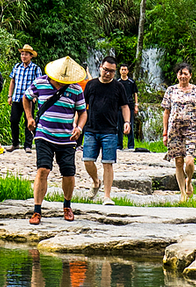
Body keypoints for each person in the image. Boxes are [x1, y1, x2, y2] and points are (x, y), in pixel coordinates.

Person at [22, 55, 88, 223]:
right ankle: (37, 210)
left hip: (67, 137)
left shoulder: (76, 89)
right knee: (43, 169)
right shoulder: (40, 83)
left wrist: (79, 128)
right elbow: (26, 97)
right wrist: (29, 118)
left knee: (68, 173)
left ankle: (67, 206)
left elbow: (83, 112)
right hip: (43, 134)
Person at [82, 56, 131, 204]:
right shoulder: (90, 85)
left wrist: (127, 122)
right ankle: (96, 182)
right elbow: (82, 106)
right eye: (106, 70)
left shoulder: (118, 87)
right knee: (88, 161)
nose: (108, 73)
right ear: (100, 68)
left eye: (111, 71)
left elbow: (125, 106)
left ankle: (107, 196)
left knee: (107, 163)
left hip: (110, 130)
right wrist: (76, 124)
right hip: (91, 128)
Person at [161, 62, 196, 200]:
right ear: (177, 75)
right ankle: (182, 194)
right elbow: (166, 112)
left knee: (189, 161)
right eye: (180, 73)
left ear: (190, 76)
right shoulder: (170, 90)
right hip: (174, 130)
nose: (183, 76)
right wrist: (165, 133)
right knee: (179, 161)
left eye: (185, 74)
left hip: (192, 130)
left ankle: (189, 180)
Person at [7, 45, 41, 151]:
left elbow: (39, 84)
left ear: (31, 56)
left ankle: (28, 145)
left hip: (29, 99)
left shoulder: (35, 68)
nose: (23, 56)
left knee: (28, 121)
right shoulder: (17, 67)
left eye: (26, 54)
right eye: (22, 54)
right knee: (13, 120)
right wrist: (9, 95)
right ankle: (15, 143)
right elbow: (12, 81)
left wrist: (36, 96)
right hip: (17, 98)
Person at [117, 63, 139, 150]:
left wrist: (136, 105)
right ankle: (119, 145)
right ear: (119, 71)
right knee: (119, 126)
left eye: (125, 70)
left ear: (128, 71)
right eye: (122, 69)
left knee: (130, 125)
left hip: (130, 105)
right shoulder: (117, 82)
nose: (123, 71)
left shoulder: (131, 82)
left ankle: (131, 145)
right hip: (119, 106)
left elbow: (135, 93)